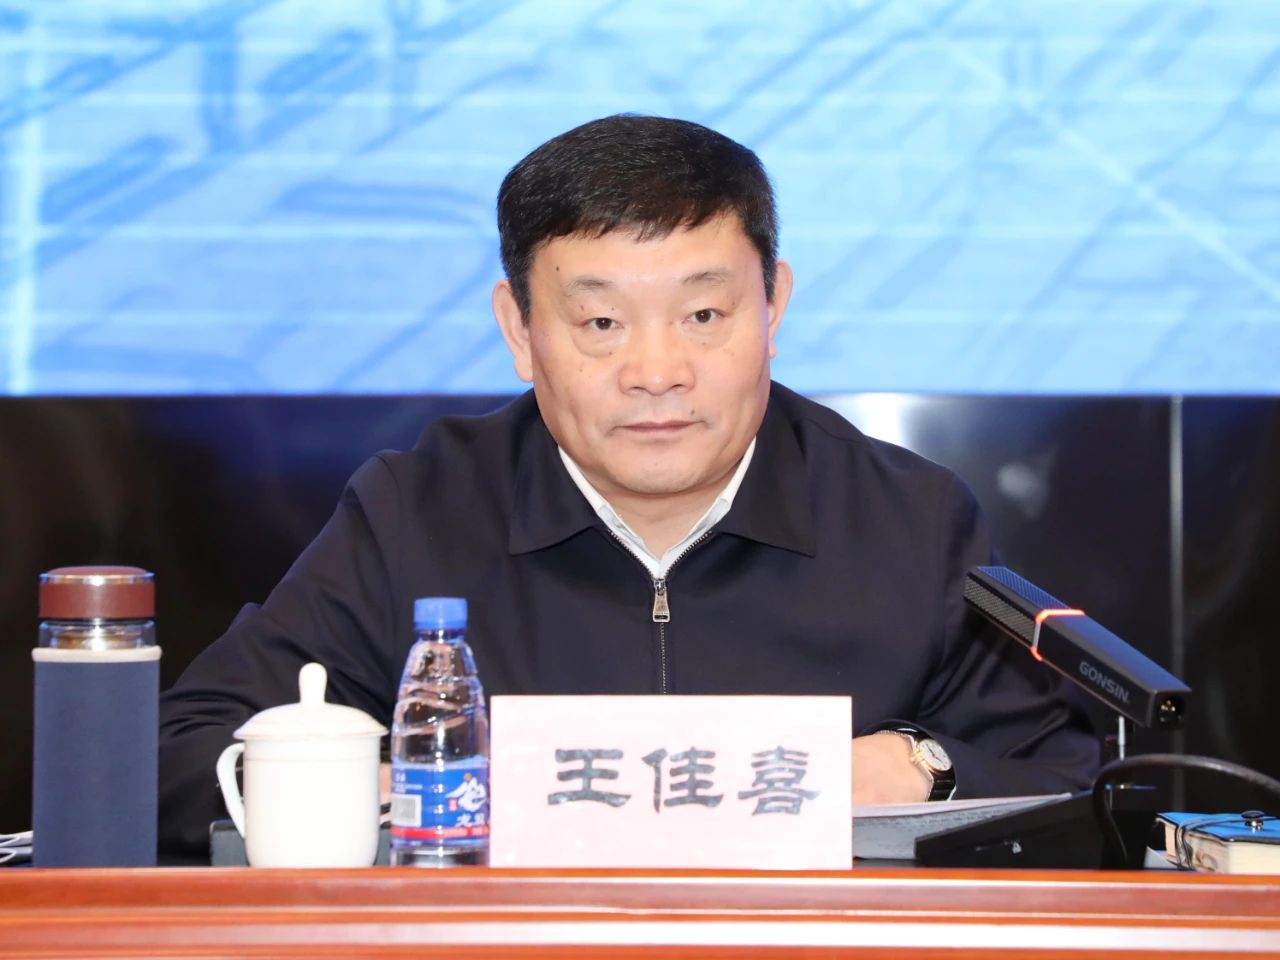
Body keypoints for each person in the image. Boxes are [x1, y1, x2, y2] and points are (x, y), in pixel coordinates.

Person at [158, 114, 1099, 859]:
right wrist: (381, 781)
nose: (657, 373)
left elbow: (1071, 785)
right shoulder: (419, 511)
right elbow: (181, 756)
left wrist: (922, 765)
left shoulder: (909, 517)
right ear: (520, 330)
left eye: (704, 314)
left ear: (773, 305)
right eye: (601, 323)